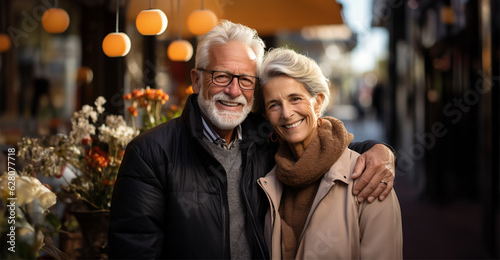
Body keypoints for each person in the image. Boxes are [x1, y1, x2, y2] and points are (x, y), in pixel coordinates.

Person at [108, 20, 396, 259]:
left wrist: (377, 150)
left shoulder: (265, 139)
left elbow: (318, 149)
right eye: (221, 76)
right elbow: (135, 250)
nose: (234, 90)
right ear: (196, 80)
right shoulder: (150, 154)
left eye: (246, 79)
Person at [257, 48, 402, 259]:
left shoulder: (370, 176)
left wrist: (384, 150)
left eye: (295, 98)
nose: (287, 114)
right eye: (274, 105)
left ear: (317, 102)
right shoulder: (267, 175)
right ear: (266, 116)